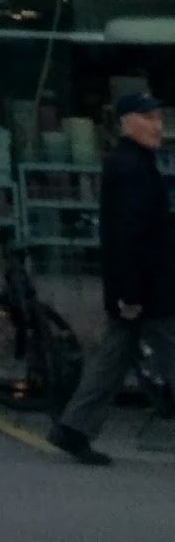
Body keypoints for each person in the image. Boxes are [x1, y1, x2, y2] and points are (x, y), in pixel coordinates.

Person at [52, 84, 174, 465]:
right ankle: (73, 428)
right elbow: (128, 235)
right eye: (150, 118)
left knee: (111, 359)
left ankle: (73, 428)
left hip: (139, 287)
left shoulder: (131, 163)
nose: (159, 126)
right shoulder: (132, 168)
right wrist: (131, 293)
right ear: (127, 123)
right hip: (148, 289)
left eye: (160, 117)